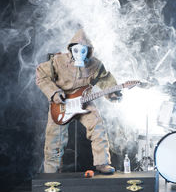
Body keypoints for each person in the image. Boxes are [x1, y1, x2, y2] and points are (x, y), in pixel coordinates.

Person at [36, 29, 120, 174]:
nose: (79, 54)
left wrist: (113, 93)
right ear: (70, 49)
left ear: (89, 51)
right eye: (76, 50)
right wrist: (54, 93)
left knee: (97, 127)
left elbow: (105, 79)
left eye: (83, 51)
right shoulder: (57, 61)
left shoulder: (95, 64)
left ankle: (102, 163)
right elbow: (41, 75)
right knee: (54, 139)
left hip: (84, 101)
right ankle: (51, 172)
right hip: (60, 103)